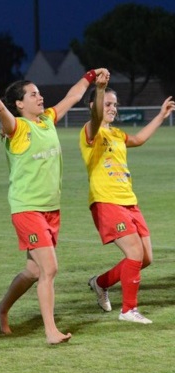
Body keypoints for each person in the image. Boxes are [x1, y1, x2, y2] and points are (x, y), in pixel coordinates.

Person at [0, 67, 108, 344]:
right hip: (27, 208)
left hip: (51, 209)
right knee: (50, 269)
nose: (40, 97)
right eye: (33, 95)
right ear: (19, 104)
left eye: (40, 93)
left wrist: (92, 77)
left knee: (33, 271)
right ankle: (50, 331)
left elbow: (73, 95)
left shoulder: (47, 119)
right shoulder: (17, 128)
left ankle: (1, 309)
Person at [82, 79, 175, 324]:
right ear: (96, 105)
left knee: (145, 258)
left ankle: (100, 283)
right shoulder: (91, 131)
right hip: (106, 201)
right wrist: (100, 88)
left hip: (129, 202)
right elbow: (95, 116)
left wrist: (161, 117)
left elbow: (139, 139)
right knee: (134, 252)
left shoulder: (116, 134)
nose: (113, 108)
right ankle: (128, 310)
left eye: (115, 105)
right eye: (108, 104)